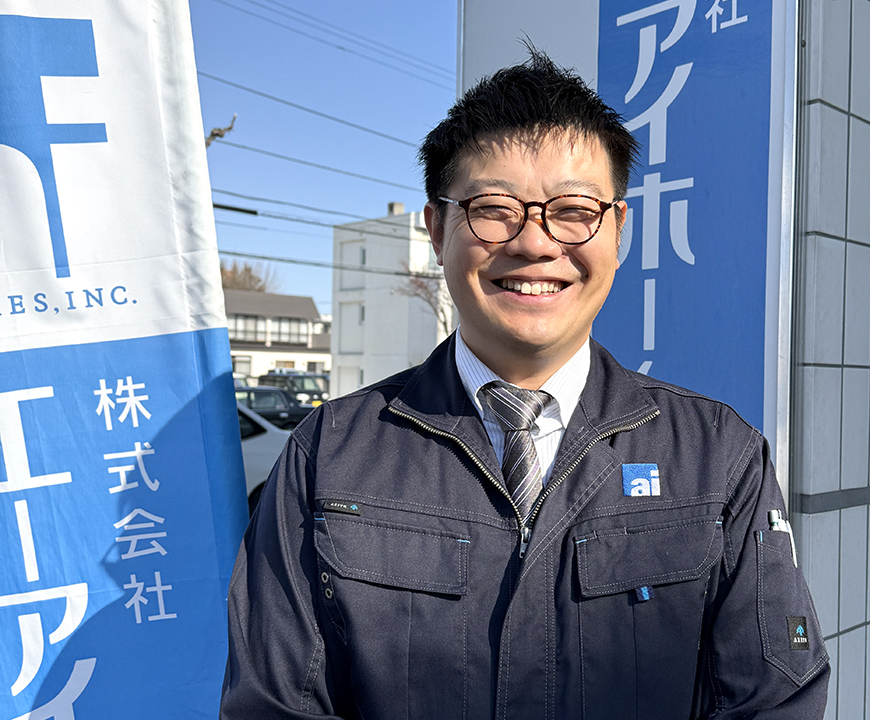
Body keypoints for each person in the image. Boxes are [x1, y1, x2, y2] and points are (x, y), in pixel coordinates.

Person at [219, 49, 829, 720]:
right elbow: (272, 706)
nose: (535, 244)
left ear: (618, 230)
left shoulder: (719, 456)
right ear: (436, 230)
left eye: (574, 210)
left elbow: (775, 701)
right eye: (494, 208)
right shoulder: (329, 455)